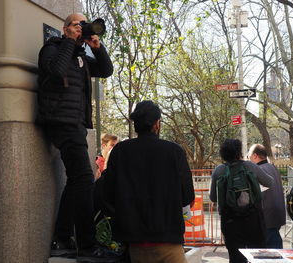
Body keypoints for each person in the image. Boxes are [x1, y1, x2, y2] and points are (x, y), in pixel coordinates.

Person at [36, 12, 114, 261]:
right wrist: (68, 40)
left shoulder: (82, 56)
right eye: (76, 25)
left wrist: (97, 48)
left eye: (83, 25)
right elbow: (56, 71)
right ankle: (88, 247)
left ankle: (61, 238)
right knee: (84, 180)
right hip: (60, 121)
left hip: (76, 125)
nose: (81, 28)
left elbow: (106, 70)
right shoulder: (52, 48)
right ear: (65, 28)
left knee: (77, 181)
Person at [96, 100, 195, 263]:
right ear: (157, 124)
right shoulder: (174, 151)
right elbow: (187, 197)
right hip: (169, 241)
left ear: (135, 125)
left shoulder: (120, 152)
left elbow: (107, 195)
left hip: (135, 244)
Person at [209, 139, 273, 263]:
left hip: (230, 221)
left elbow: (213, 197)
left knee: (236, 258)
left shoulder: (219, 170)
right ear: (239, 151)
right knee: (258, 256)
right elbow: (270, 182)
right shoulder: (249, 166)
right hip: (253, 218)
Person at [248, 144, 286, 248]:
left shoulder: (259, 170)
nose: (248, 158)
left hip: (266, 215)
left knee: (269, 249)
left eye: (249, 156)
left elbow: (257, 195)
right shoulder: (272, 167)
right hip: (277, 212)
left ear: (255, 155)